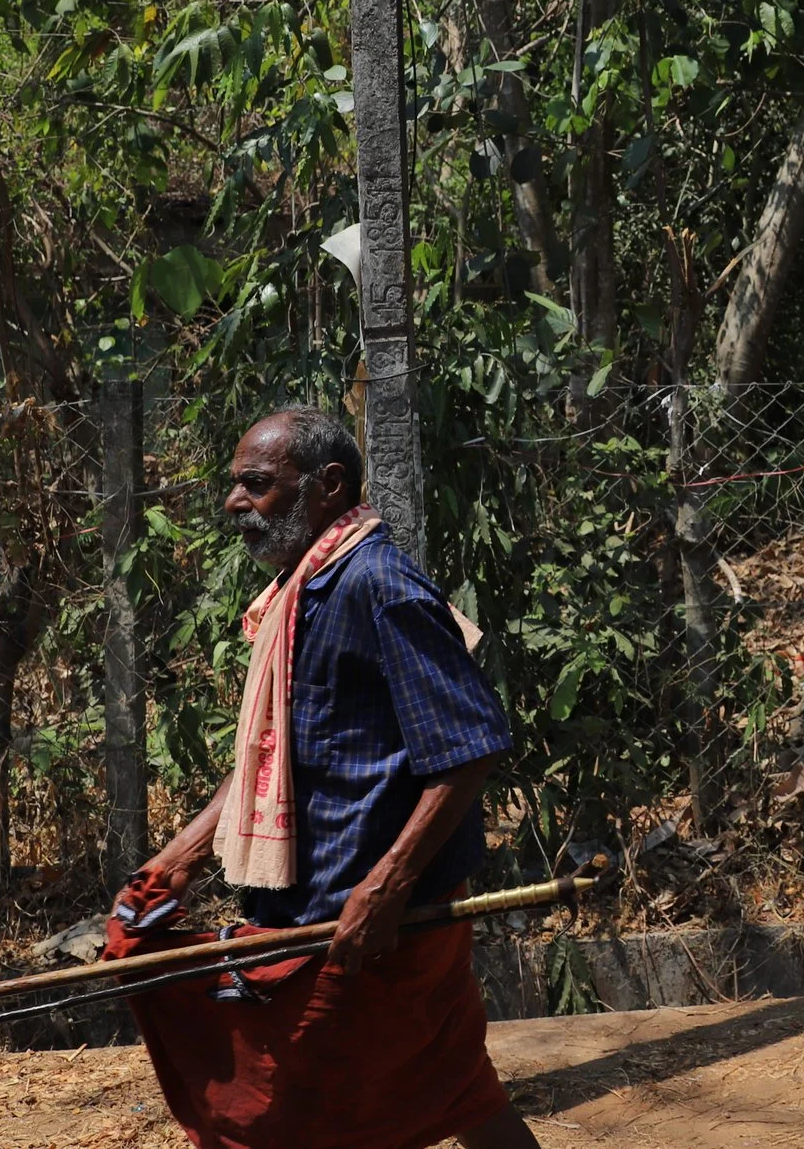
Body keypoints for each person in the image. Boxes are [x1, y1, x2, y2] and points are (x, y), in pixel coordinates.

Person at [105, 407, 540, 1149]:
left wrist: (387, 885)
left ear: (329, 485)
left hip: (367, 924)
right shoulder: (299, 591)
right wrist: (180, 854)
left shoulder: (377, 583)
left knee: (297, 1114)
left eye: (257, 483)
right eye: (233, 484)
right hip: (316, 911)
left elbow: (468, 744)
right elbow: (272, 753)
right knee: (452, 1091)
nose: (233, 502)